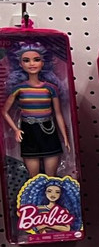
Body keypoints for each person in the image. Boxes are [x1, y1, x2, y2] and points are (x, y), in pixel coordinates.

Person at [3, 42, 72, 178]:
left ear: (43, 63)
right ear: (20, 64)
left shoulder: (50, 88)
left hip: (49, 130)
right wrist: (16, 130)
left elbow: (58, 114)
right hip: (28, 131)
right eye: (26, 60)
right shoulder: (19, 89)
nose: (32, 64)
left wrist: (65, 136)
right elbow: (4, 111)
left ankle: (52, 193)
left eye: (36, 59)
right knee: (33, 177)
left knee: (51, 175)